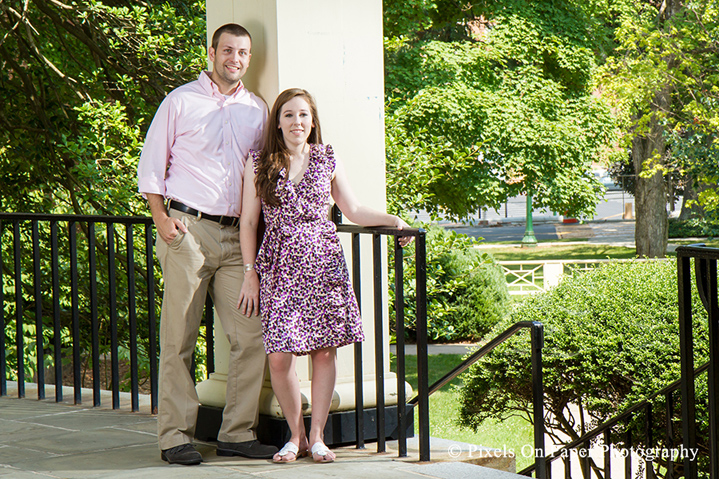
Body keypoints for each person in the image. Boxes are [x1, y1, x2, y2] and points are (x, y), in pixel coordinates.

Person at [238, 88, 413, 464]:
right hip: (279, 265)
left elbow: (352, 209)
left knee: (323, 351)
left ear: (312, 121)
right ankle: (295, 435)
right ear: (278, 122)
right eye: (288, 115)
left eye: (303, 115)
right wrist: (249, 273)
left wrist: (394, 221)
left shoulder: (326, 157)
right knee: (280, 356)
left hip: (322, 264)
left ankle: (316, 437)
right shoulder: (259, 161)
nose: (296, 122)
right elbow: (249, 221)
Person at [137, 23, 278, 466]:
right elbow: (151, 164)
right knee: (179, 338)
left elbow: (266, 170)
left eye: (243, 53)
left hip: (239, 237)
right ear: (212, 52)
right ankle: (175, 437)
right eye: (228, 50)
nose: (235, 58)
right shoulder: (180, 101)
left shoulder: (258, 110)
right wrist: (161, 218)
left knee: (251, 334)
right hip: (188, 231)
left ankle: (236, 433)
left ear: (249, 59)